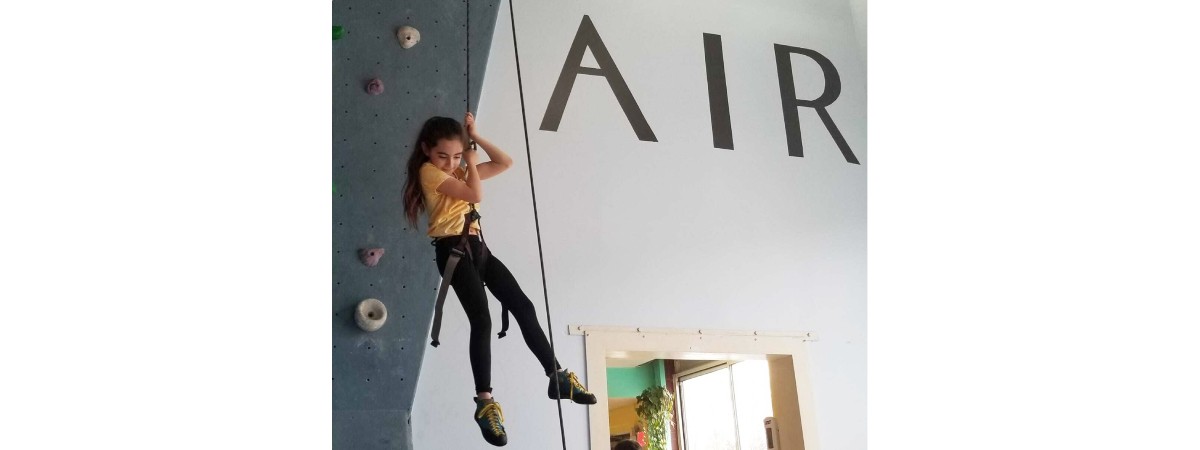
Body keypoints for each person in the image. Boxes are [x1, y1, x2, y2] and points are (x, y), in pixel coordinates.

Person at [402, 112, 597, 447]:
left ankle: (557, 376)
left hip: (477, 248)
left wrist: (476, 136)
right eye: (443, 156)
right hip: (453, 251)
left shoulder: (459, 170)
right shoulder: (429, 172)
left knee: (523, 305)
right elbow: (474, 195)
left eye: (457, 156)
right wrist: (470, 163)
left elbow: (505, 162)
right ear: (426, 151)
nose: (451, 163)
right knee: (482, 320)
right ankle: (485, 403)